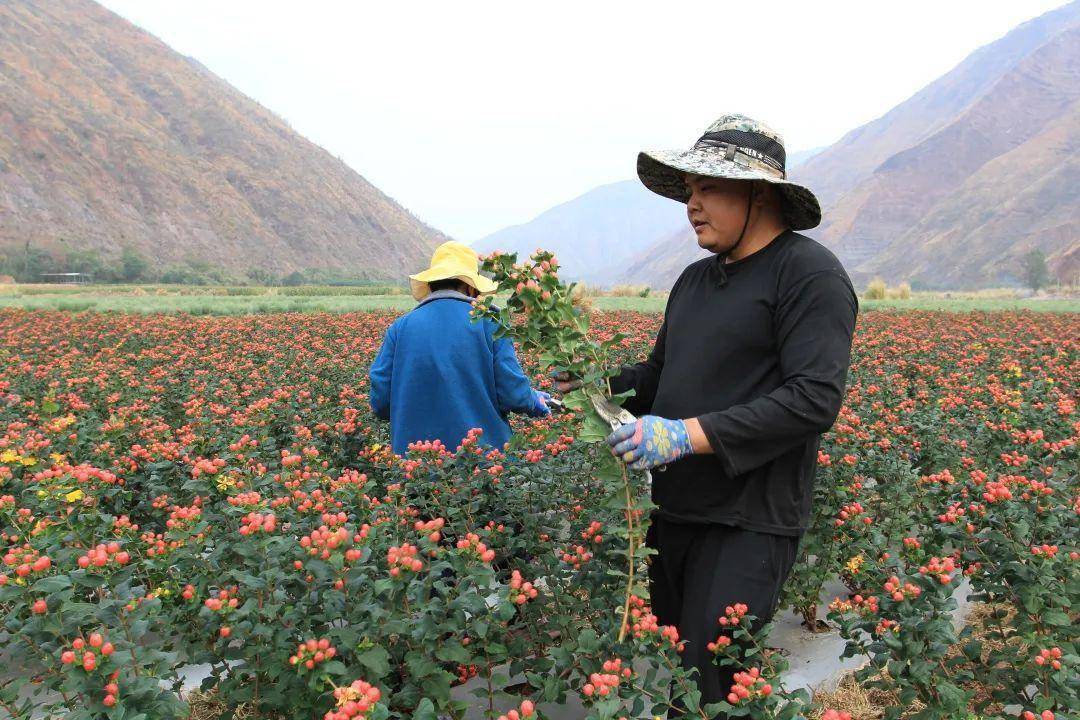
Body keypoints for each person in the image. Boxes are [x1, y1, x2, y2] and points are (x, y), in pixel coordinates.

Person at [556, 114, 858, 711]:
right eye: (689, 192)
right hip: (677, 512)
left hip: (748, 522)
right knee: (678, 672)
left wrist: (685, 436)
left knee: (710, 687)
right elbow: (657, 378)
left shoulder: (809, 276)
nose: (691, 205)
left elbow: (813, 397)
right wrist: (593, 385)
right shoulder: (694, 281)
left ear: (760, 193)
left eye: (708, 189)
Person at [369, 241, 551, 455]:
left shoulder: (400, 328)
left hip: (414, 465)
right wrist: (533, 400)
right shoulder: (490, 323)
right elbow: (513, 394)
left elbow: (380, 401)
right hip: (483, 464)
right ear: (470, 286)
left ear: (432, 283)